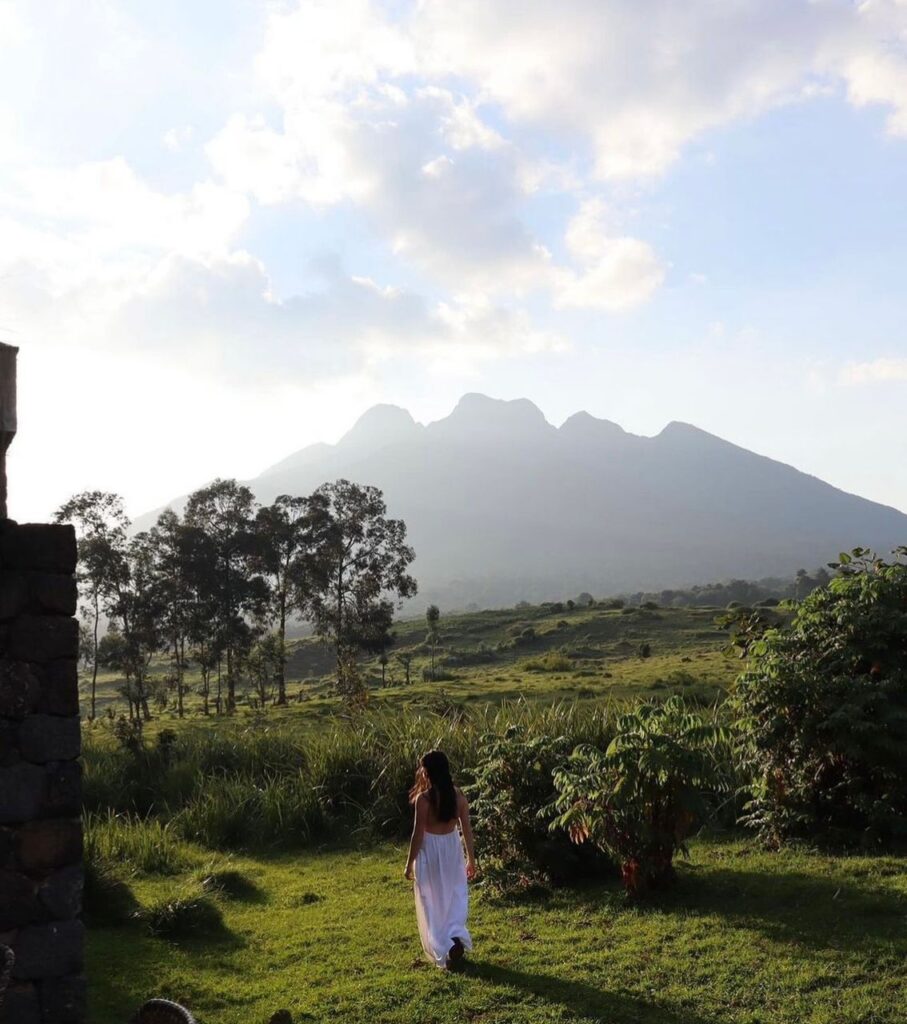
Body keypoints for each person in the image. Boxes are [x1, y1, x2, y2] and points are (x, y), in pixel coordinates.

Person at [403, 749, 477, 968]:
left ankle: (444, 945)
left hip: (430, 852)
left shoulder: (423, 800)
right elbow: (467, 830)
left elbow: (417, 835)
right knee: (453, 895)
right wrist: (471, 859)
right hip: (452, 849)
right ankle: (453, 938)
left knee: (431, 900)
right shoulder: (459, 796)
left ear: (428, 773)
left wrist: (409, 864)